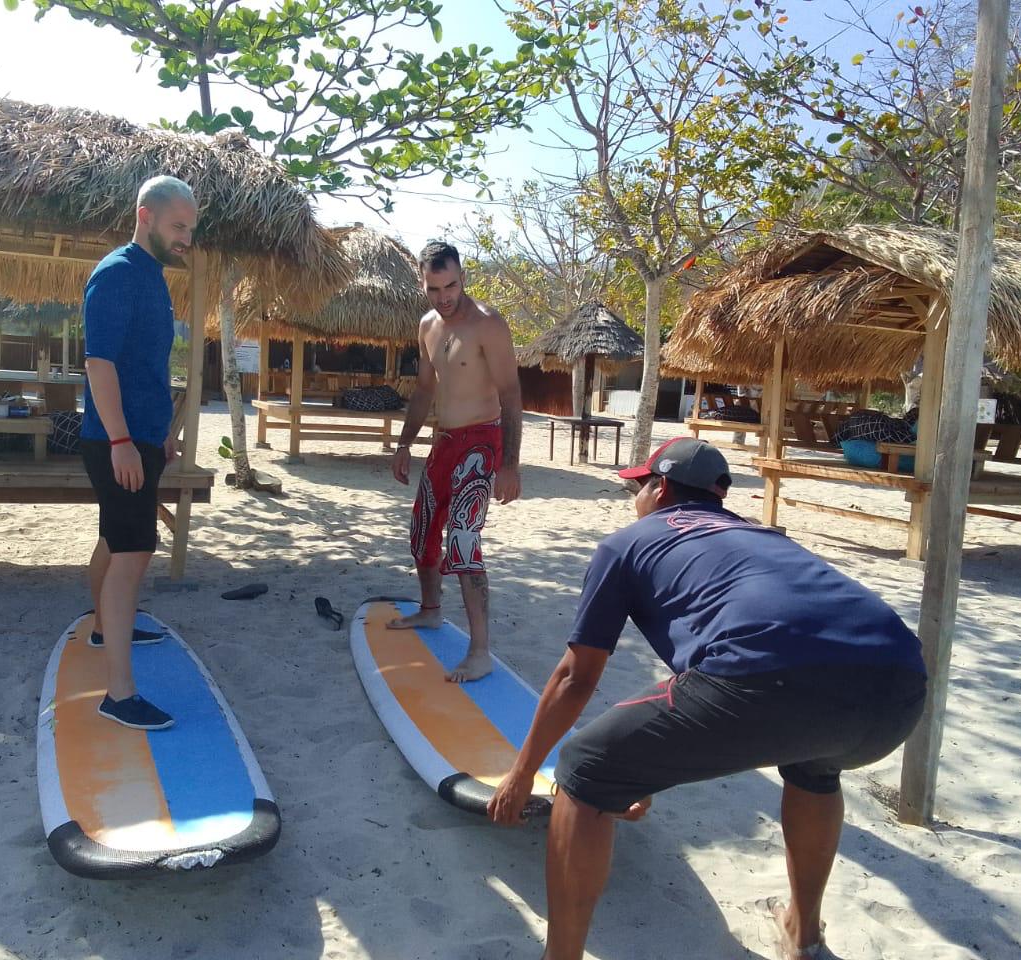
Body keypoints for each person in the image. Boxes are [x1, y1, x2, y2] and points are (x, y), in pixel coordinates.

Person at [487, 437, 926, 960]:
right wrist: (642, 766)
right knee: (814, 767)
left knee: (585, 766)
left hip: (770, 681)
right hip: (898, 684)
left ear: (660, 488)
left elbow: (574, 679)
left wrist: (521, 775)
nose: (636, 498)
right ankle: (802, 933)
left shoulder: (628, 542)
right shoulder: (761, 533)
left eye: (640, 486)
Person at [79, 175, 199, 731]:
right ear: (144, 215)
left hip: (140, 437)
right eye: (178, 227)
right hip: (115, 441)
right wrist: (125, 441)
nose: (185, 239)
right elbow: (99, 364)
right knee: (133, 555)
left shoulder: (152, 277)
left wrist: (158, 432)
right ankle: (119, 695)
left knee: (115, 539)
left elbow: (142, 366)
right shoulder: (119, 274)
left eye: (190, 230)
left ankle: (103, 626)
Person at [388, 240, 523, 683]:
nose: (444, 297)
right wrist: (405, 444)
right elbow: (425, 390)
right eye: (433, 288)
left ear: (463, 277)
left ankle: (480, 650)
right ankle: (430, 611)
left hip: (482, 443)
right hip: (443, 442)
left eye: (450, 285)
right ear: (422, 285)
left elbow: (510, 395)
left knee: (463, 538)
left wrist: (510, 465)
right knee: (422, 530)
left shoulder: (488, 325)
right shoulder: (428, 325)